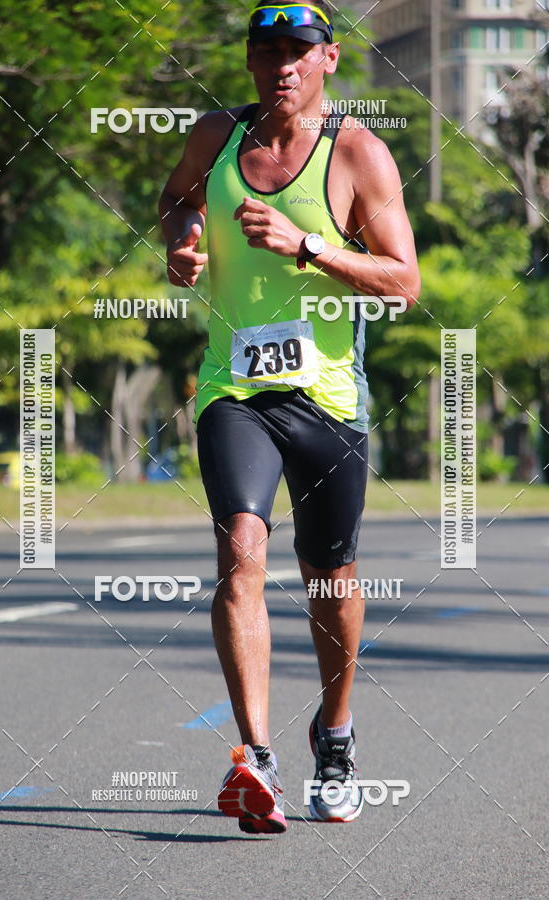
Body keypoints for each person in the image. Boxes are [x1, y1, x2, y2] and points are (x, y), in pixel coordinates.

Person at [159, 0, 420, 834]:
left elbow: (404, 282)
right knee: (241, 547)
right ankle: (256, 760)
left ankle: (335, 737)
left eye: (298, 53)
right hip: (232, 389)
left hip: (328, 400)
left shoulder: (357, 153)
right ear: (248, 61)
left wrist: (307, 247)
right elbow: (174, 199)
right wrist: (184, 240)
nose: (282, 66)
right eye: (267, 51)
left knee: (330, 578)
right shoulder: (216, 137)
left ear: (329, 61)